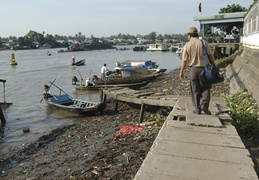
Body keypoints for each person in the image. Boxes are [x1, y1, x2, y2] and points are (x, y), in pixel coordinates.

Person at [179, 27, 217, 115]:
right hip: (205, 69)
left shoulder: (187, 45)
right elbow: (210, 55)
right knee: (206, 88)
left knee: (195, 89)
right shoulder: (203, 42)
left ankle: (197, 108)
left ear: (189, 36)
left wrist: (181, 71)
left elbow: (184, 60)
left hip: (194, 69)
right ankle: (204, 105)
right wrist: (214, 64)